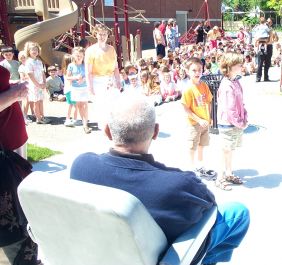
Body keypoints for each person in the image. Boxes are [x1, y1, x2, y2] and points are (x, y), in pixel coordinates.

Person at [69, 95, 250, 265]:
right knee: (237, 213)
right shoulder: (180, 185)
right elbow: (210, 209)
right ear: (156, 132)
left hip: (100, 251)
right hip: (158, 258)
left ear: (108, 131)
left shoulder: (81, 166)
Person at [0, 65, 39, 265]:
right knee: (12, 218)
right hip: (4, 155)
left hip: (10, 150)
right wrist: (13, 94)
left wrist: (9, 88)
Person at [215, 52, 248, 191]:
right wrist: (240, 122)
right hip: (228, 123)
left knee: (230, 150)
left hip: (235, 123)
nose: (242, 66)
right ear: (229, 67)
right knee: (225, 150)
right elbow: (230, 109)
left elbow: (241, 103)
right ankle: (219, 177)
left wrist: (245, 116)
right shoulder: (227, 86)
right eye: (238, 64)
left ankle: (228, 173)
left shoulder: (236, 82)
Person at [181, 57, 216, 178]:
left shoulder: (204, 86)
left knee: (202, 144)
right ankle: (192, 167)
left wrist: (209, 117)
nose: (197, 73)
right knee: (193, 145)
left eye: (199, 70)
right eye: (194, 70)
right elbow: (185, 108)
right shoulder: (188, 89)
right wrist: (198, 120)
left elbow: (209, 101)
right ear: (187, 71)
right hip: (194, 124)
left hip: (205, 122)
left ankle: (200, 165)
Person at [85, 24, 121, 130]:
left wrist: (118, 81)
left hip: (110, 80)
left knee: (112, 104)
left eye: (104, 34)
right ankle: (104, 129)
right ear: (95, 34)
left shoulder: (111, 49)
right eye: (100, 34)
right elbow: (88, 72)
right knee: (101, 106)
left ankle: (114, 127)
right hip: (97, 81)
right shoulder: (90, 50)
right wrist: (90, 87)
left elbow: (116, 68)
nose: (102, 36)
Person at [66, 46, 91, 134]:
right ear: (73, 56)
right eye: (77, 55)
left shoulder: (86, 65)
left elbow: (90, 74)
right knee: (79, 106)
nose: (79, 57)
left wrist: (84, 79)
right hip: (75, 88)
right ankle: (84, 121)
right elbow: (68, 77)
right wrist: (75, 77)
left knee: (85, 105)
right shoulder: (71, 66)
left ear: (83, 55)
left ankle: (85, 124)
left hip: (84, 88)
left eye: (80, 55)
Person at [24, 41, 50, 124]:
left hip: (41, 84)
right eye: (32, 50)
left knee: (41, 101)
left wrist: (45, 82)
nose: (35, 51)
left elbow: (42, 73)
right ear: (29, 51)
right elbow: (30, 75)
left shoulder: (39, 61)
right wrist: (37, 84)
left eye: (36, 49)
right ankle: (38, 118)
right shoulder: (28, 62)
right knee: (36, 102)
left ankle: (43, 116)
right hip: (34, 85)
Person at [253, 17, 271, 82]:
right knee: (260, 63)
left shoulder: (260, 27)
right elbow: (269, 32)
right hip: (264, 40)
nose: (268, 23)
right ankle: (258, 77)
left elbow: (255, 31)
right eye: (267, 22)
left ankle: (265, 77)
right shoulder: (266, 27)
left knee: (267, 63)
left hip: (264, 43)